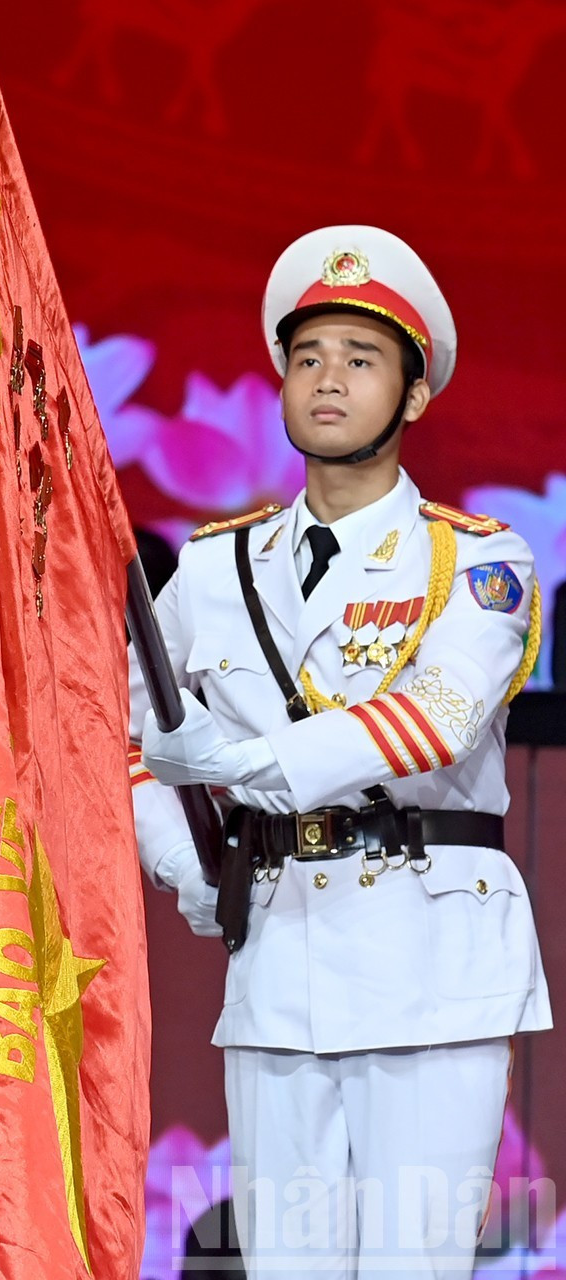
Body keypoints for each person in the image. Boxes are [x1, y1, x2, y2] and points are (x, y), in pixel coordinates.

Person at [134, 226, 549, 1276]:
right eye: (308, 356)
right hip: (277, 952)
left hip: (430, 960)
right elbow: (127, 735)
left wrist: (226, 765)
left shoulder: (481, 558)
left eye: (361, 360)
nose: (328, 380)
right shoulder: (216, 562)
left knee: (415, 1266)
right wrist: (193, 865)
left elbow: (428, 720)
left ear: (412, 395)